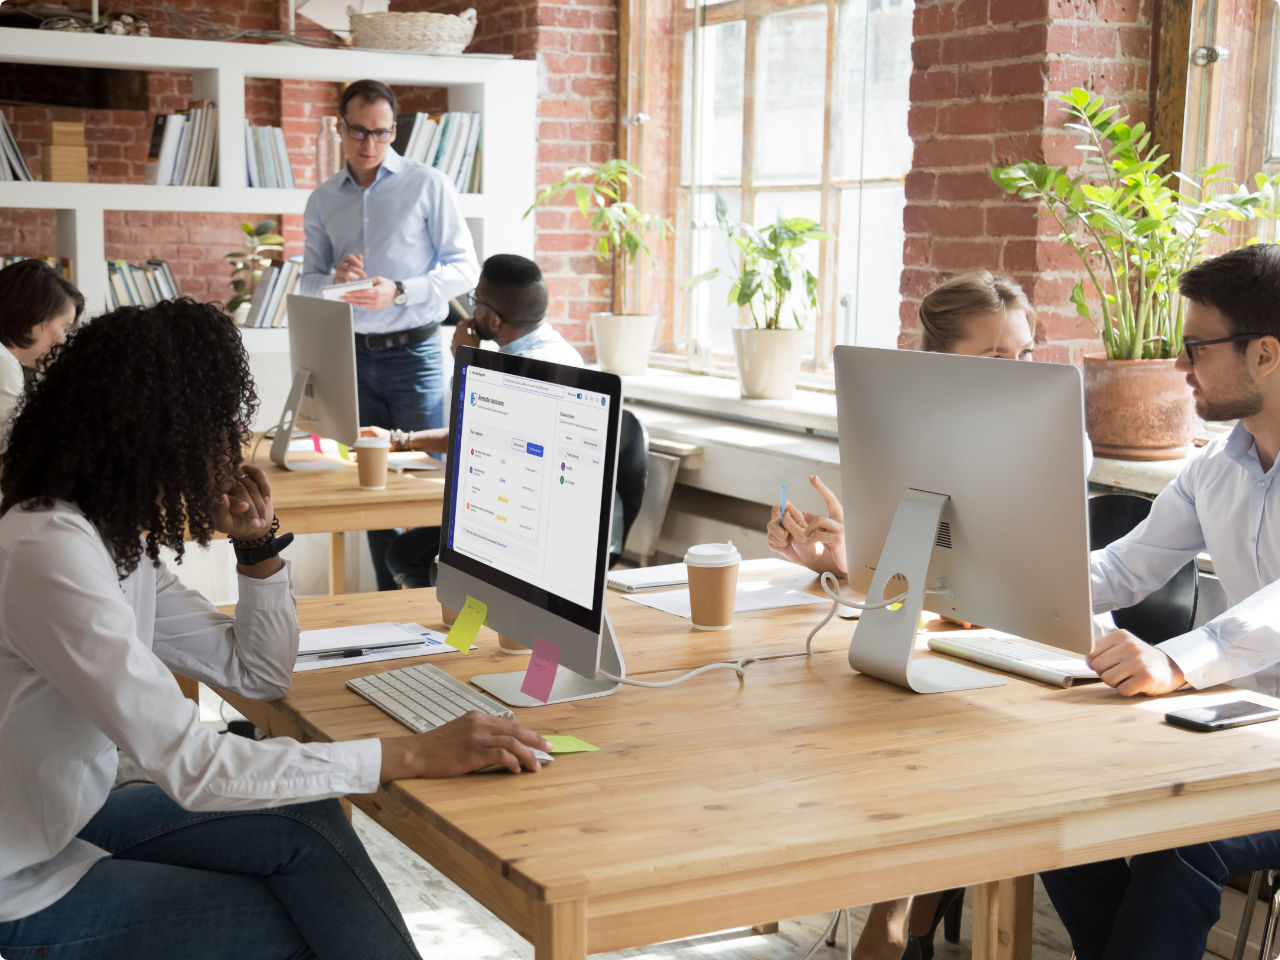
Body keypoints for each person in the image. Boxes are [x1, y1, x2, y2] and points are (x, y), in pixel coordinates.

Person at [0, 299, 549, 959]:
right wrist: (410, 754)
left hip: (57, 823)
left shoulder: (111, 537)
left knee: (306, 824)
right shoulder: (50, 551)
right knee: (288, 922)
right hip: (15, 882)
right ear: (156, 431)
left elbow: (258, 673)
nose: (231, 440)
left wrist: (257, 547)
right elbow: (194, 766)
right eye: (218, 422)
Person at [766, 270, 1035, 960]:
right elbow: (921, 578)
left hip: (1029, 651)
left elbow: (1020, 586)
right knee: (840, 712)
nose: (1017, 376)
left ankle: (894, 923)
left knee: (920, 740)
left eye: (1027, 358)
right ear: (938, 365)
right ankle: (897, 921)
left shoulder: (1049, 442)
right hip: (952, 639)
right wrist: (844, 562)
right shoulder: (915, 437)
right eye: (996, 360)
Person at [1040, 243, 1280, 960]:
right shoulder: (1216, 467)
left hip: (1253, 733)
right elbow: (1124, 568)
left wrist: (1175, 662)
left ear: (1265, 353)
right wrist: (996, 583)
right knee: (1055, 804)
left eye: (1195, 347)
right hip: (1242, 723)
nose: (1180, 367)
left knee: (1183, 845)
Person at [300, 78, 480, 591]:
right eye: (358, 131)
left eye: (381, 133)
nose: (369, 144)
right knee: (369, 486)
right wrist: (334, 281)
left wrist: (399, 290)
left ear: (393, 129)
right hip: (351, 357)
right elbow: (307, 281)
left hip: (415, 353)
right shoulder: (322, 200)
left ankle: (438, 598)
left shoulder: (427, 184)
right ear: (341, 127)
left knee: (430, 480)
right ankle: (387, 601)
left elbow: (465, 268)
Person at [367, 254, 583, 588]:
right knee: (409, 549)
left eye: (476, 301)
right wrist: (401, 439)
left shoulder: (513, 372)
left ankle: (452, 625)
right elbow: (468, 433)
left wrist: (466, 364)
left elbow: (473, 441)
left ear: (495, 320)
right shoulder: (563, 352)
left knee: (405, 553)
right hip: (556, 525)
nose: (471, 310)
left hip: (516, 531)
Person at [0, 259, 83, 445]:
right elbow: (11, 458)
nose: (63, 340)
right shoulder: (4, 366)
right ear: (36, 318)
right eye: (65, 328)